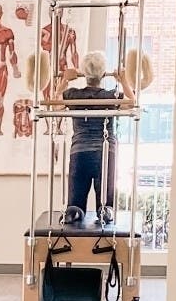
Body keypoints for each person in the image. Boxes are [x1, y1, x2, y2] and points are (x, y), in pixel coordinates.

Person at [54, 51, 136, 220]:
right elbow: (132, 103)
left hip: (80, 153)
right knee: (105, 204)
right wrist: (123, 80)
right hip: (104, 153)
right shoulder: (111, 96)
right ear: (103, 74)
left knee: (75, 204)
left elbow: (55, 106)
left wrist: (64, 81)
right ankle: (105, 210)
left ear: (84, 74)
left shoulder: (73, 95)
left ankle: (74, 211)